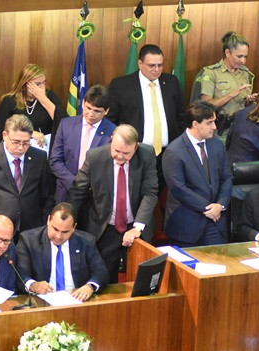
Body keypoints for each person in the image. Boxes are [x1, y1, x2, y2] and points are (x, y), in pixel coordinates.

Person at [67, 124, 158, 283]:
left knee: (139, 279)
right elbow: (77, 192)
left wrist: (138, 227)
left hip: (136, 226)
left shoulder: (147, 154)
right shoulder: (95, 157)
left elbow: (150, 193)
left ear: (135, 147)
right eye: (116, 151)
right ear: (111, 141)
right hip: (104, 227)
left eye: (126, 153)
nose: (120, 157)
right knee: (105, 280)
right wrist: (69, 221)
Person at [162, 101, 233, 247]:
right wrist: (210, 208)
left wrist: (220, 205)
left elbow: (227, 178)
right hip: (187, 224)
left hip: (215, 222)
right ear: (195, 124)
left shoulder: (217, 145)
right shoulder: (174, 151)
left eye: (214, 122)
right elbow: (179, 189)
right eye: (210, 123)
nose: (214, 127)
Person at [16, 203, 109, 301]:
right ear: (48, 220)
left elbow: (101, 271)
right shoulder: (29, 240)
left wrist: (90, 287)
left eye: (65, 232)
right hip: (42, 301)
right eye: (55, 229)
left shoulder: (86, 241)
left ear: (73, 227)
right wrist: (33, 285)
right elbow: (20, 273)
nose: (58, 236)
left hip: (76, 299)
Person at [107, 44, 184, 155]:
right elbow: (111, 120)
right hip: (135, 152)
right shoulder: (121, 85)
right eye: (151, 65)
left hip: (169, 152)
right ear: (140, 64)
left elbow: (180, 117)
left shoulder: (171, 82)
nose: (157, 70)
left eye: (160, 65)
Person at [49, 85, 116, 202]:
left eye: (97, 111)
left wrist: (87, 187)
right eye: (88, 108)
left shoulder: (112, 132)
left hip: (94, 196)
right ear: (83, 103)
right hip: (66, 191)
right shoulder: (66, 125)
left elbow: (110, 168)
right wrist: (74, 184)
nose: (90, 114)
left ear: (106, 111)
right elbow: (55, 160)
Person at [191, 31, 257, 136]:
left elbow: (242, 104)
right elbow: (206, 106)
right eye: (239, 56)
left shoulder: (245, 73)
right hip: (220, 130)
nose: (243, 61)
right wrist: (232, 94)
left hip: (241, 128)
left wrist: (249, 101)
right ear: (227, 53)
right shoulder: (211, 73)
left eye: (245, 57)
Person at [0, 64, 67, 147]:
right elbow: (2, 133)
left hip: (46, 148)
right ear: (25, 85)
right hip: (19, 148)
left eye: (44, 83)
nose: (42, 88)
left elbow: (64, 122)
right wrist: (30, 133)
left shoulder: (49, 96)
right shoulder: (10, 101)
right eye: (37, 84)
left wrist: (43, 99)